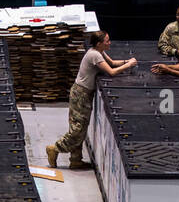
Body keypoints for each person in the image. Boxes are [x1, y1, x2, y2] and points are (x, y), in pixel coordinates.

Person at [47, 31, 137, 170]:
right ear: (99, 43)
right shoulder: (95, 54)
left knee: (79, 127)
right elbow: (111, 72)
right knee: (78, 129)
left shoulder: (98, 52)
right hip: (81, 95)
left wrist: (127, 61)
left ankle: (76, 160)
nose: (109, 43)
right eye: (107, 41)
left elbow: (112, 63)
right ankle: (55, 148)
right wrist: (129, 65)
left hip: (82, 93)